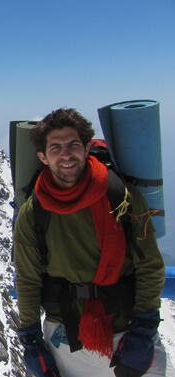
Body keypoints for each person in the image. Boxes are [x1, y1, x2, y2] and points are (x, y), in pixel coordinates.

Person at [14, 108, 171, 376]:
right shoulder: (33, 212)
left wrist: (143, 329)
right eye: (56, 147)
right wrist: (30, 341)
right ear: (42, 156)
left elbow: (151, 266)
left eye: (73, 145)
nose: (66, 154)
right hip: (66, 335)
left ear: (87, 148)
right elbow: (27, 280)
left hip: (127, 329)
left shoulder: (122, 196)